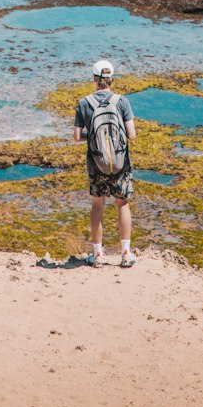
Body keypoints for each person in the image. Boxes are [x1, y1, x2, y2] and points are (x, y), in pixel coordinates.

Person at [74, 59, 137, 268]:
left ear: (94, 78)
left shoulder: (84, 103)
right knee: (122, 205)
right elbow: (132, 135)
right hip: (121, 164)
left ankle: (98, 254)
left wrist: (92, 138)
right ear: (112, 79)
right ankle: (126, 253)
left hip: (96, 163)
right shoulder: (122, 101)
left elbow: (76, 136)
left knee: (97, 205)